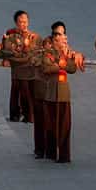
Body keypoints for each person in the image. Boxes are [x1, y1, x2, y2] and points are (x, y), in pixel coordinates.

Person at [38, 24, 78, 163]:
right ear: (55, 40)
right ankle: (50, 153)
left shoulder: (67, 54)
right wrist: (59, 65)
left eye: (65, 40)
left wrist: (67, 61)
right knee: (50, 125)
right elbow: (45, 68)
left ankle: (64, 155)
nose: (64, 43)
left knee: (65, 125)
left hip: (64, 93)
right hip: (51, 93)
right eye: (62, 40)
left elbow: (73, 69)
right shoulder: (47, 53)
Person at [0, 11, 39, 122]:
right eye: (21, 22)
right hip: (17, 69)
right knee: (16, 91)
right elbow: (5, 50)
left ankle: (29, 116)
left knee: (28, 93)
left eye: (25, 21)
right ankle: (15, 115)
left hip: (29, 69)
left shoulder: (33, 36)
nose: (24, 24)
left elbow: (35, 52)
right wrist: (6, 59)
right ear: (16, 23)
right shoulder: (11, 35)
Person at [30, 22, 63, 159]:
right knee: (40, 121)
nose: (57, 42)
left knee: (52, 122)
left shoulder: (63, 52)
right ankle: (39, 149)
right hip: (40, 90)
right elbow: (35, 62)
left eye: (62, 36)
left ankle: (51, 149)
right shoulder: (41, 53)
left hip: (55, 92)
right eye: (55, 39)